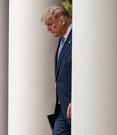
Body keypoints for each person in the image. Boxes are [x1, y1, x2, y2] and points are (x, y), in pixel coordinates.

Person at [42, 5, 72, 135]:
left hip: (73, 106)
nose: (48, 29)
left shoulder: (80, 38)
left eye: (50, 24)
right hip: (62, 108)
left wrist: (77, 99)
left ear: (62, 21)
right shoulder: (62, 40)